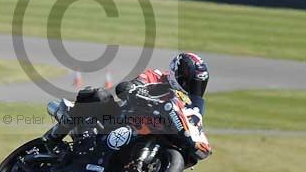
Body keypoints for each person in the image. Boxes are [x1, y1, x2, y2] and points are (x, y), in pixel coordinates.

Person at [43, 52, 209, 147]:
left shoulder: (191, 103)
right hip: (120, 119)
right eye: (190, 82)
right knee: (98, 95)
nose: (192, 87)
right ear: (177, 72)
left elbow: (195, 124)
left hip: (152, 133)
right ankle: (52, 139)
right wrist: (133, 88)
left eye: (197, 84)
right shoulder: (157, 76)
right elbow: (129, 86)